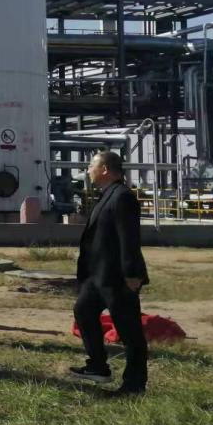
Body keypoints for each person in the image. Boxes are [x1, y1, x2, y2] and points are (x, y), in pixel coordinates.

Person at [71, 150, 149, 396]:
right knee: (83, 310)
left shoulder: (122, 196)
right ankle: (98, 366)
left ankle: (134, 385)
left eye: (91, 166)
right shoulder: (107, 195)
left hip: (118, 277)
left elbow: (129, 238)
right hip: (99, 276)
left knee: (129, 331)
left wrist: (132, 273)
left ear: (105, 169)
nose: (88, 171)